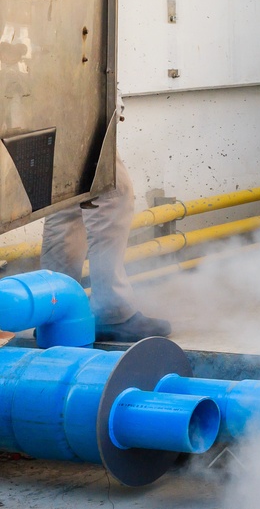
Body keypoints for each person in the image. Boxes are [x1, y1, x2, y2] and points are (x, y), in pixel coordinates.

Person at [41, 97, 171, 342]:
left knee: (65, 201)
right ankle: (112, 312)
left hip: (47, 105)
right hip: (78, 104)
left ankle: (53, 312)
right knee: (112, 194)